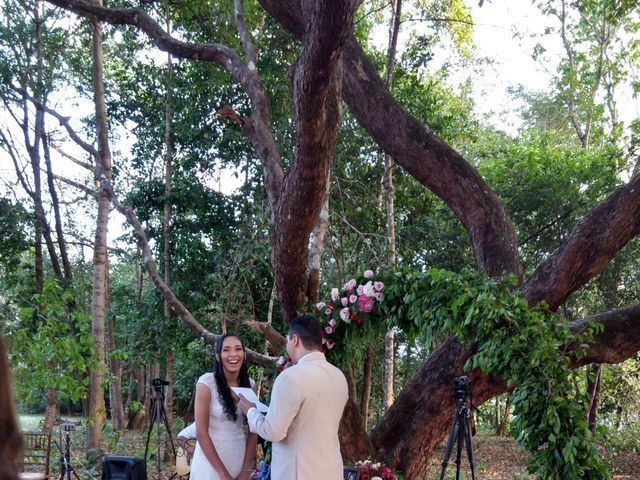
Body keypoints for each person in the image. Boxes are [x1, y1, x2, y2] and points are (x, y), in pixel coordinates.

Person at [238, 315, 349, 480]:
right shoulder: (339, 376)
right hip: (331, 471)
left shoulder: (291, 377)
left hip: (298, 472)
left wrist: (250, 412)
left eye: (288, 339)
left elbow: (272, 432)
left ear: (295, 339)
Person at [190, 333, 257, 480]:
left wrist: (246, 470)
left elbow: (254, 431)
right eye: (226, 350)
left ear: (244, 354)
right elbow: (201, 433)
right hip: (209, 466)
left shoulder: (251, 385)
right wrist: (224, 475)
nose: (233, 354)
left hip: (238, 462)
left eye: (238, 349)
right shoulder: (206, 384)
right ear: (218, 356)